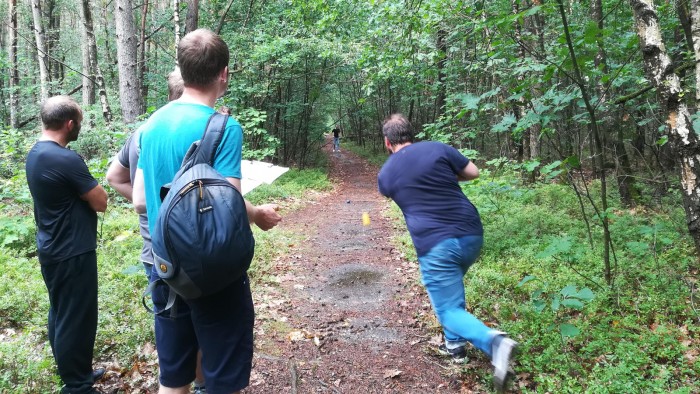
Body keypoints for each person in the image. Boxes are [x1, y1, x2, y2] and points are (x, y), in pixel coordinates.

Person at [132, 29, 282, 394]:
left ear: (182, 72)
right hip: (212, 269)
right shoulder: (224, 128)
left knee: (175, 373)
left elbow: (139, 200)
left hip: (163, 263)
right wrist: (259, 213)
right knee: (222, 374)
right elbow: (227, 204)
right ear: (224, 74)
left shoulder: (150, 126)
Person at [377, 114, 517, 393]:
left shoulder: (386, 175)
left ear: (387, 142)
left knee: (447, 308)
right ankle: (455, 347)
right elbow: (473, 173)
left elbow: (398, 191)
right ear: (411, 134)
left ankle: (495, 343)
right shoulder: (438, 148)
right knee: (450, 292)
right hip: (471, 234)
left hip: (435, 243)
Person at [105, 67, 207, 393]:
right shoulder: (205, 128)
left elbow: (115, 177)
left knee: (175, 340)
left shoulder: (142, 133)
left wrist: (154, 205)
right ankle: (201, 383)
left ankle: (190, 381)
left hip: (157, 253)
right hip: (200, 253)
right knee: (204, 327)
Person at [25, 95, 108, 394]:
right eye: (79, 123)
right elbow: (100, 201)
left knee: (62, 312)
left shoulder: (36, 153)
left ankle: (76, 371)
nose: (79, 128)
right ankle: (77, 386)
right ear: (70, 124)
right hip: (72, 250)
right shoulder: (65, 158)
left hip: (52, 246)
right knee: (78, 317)